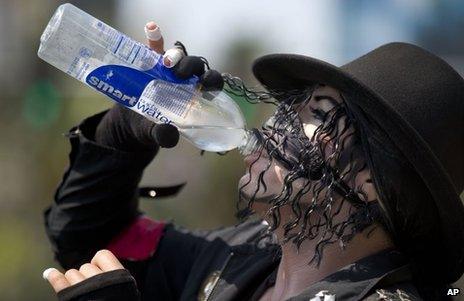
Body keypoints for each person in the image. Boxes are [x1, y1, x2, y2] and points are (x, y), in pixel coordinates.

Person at [42, 22, 464, 301]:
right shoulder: (242, 257)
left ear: (371, 183)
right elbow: (91, 238)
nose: (279, 120)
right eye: (292, 105)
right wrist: (123, 130)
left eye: (315, 114)